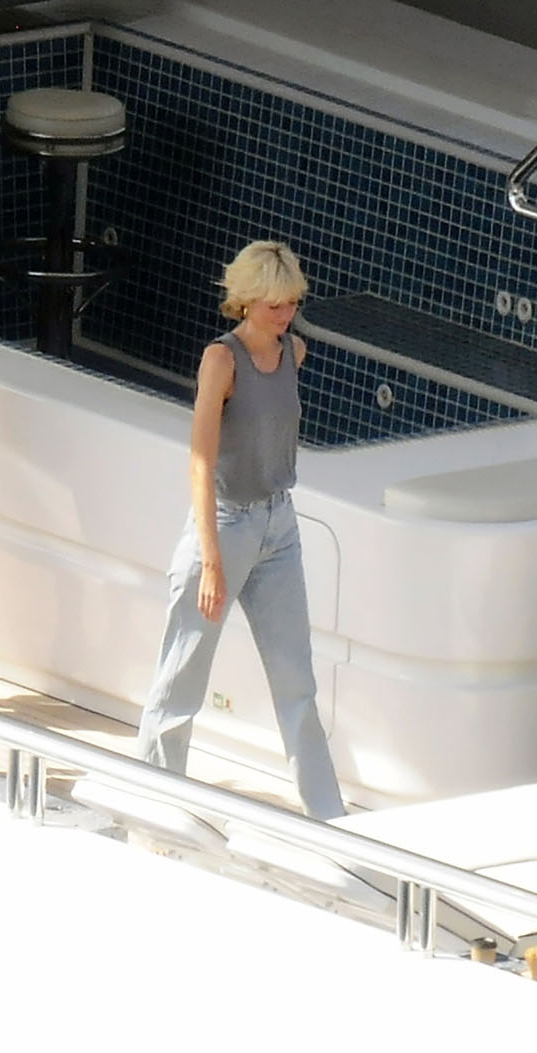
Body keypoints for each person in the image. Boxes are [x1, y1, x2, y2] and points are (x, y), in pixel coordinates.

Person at [135, 241, 346, 821]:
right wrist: (211, 560)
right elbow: (201, 461)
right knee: (181, 677)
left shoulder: (294, 351)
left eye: (292, 304)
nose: (286, 315)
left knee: (297, 684)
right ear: (247, 300)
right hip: (226, 525)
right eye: (275, 305)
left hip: (280, 524)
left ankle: (329, 819)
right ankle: (155, 803)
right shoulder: (221, 360)